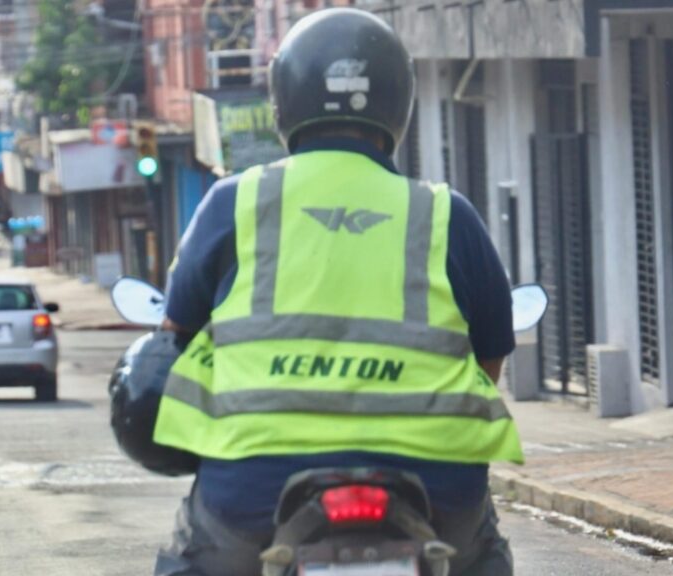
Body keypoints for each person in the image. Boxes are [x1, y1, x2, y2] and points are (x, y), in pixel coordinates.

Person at [152, 8, 521, 576]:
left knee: (188, 561)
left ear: (284, 103)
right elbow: (490, 353)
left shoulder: (235, 202)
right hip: (435, 479)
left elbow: (174, 337)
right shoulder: (447, 215)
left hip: (254, 483)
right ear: (399, 101)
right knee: (484, 561)